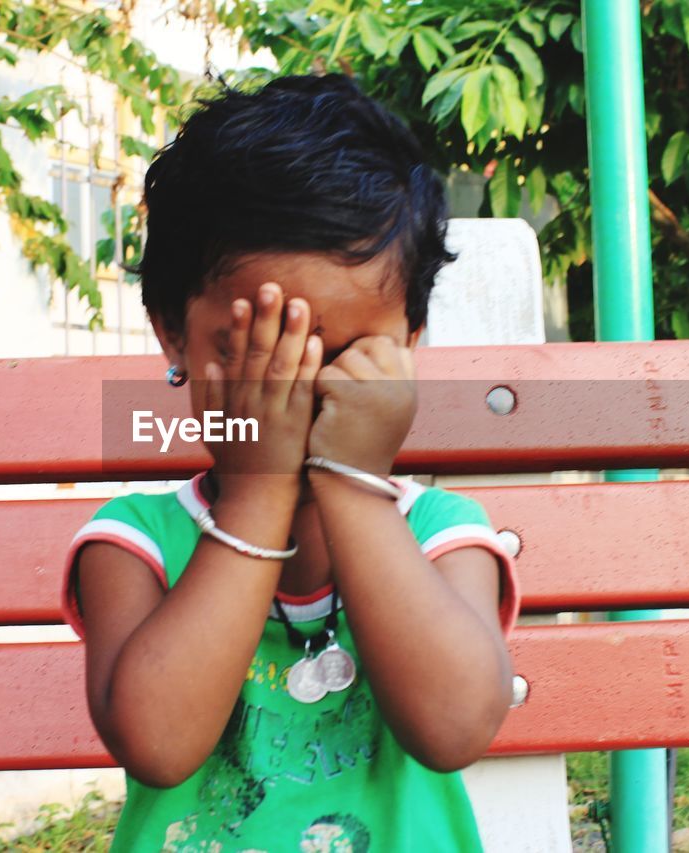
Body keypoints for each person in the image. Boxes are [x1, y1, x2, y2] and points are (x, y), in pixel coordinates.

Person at [61, 73, 521, 852]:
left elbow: (454, 729)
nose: (299, 395)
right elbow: (160, 748)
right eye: (261, 359)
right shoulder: (129, 544)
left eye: (341, 356)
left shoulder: (443, 534)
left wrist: (356, 487)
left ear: (410, 342)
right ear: (172, 331)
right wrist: (254, 496)